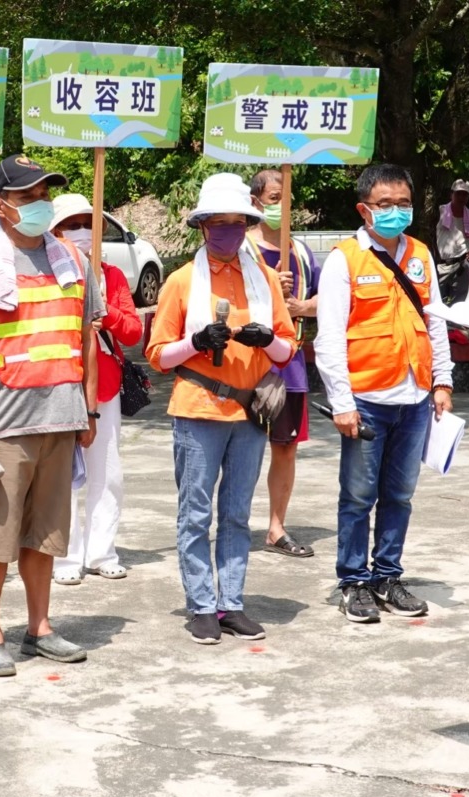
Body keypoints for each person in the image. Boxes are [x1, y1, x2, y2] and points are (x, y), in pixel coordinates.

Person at [0, 155, 103, 677]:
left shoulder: (75, 262)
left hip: (60, 419)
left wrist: (89, 408)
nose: (41, 203)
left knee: (46, 535)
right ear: (0, 207)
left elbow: (85, 340)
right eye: (28, 196)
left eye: (45, 193)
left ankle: (39, 627)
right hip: (3, 426)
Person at [145, 173, 296, 645]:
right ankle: (201, 605)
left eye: (237, 222)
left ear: (248, 224)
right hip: (198, 408)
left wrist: (267, 338)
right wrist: (194, 341)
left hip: (249, 413)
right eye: (220, 222)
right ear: (204, 226)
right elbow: (156, 354)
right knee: (194, 513)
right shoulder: (182, 281)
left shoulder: (264, 279)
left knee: (236, 513)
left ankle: (231, 602)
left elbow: (288, 349)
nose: (229, 230)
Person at [314, 163, 455, 626]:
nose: (395, 212)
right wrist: (342, 402)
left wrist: (442, 380)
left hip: (414, 396)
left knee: (400, 494)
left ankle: (387, 576)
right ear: (364, 209)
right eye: (385, 205)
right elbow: (329, 337)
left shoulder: (419, 254)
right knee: (357, 496)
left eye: (403, 204)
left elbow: (434, 320)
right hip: (367, 398)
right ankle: (353, 582)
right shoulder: (344, 260)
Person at [48, 193, 144, 586]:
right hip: (57, 388)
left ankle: (101, 550)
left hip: (103, 387)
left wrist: (106, 309)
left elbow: (134, 330)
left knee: (108, 473)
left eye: (88, 224)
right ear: (54, 231)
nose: (82, 232)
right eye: (71, 226)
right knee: (61, 477)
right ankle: (65, 555)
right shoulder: (45, 273)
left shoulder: (112, 275)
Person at [245, 169, 321, 559]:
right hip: (245, 368)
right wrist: (271, 285)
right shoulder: (241, 249)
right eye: (275, 197)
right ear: (256, 202)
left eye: (287, 197)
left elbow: (331, 298)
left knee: (285, 448)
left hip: (289, 367)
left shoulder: (303, 253)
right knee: (238, 448)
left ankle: (276, 527)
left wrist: (301, 306)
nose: (282, 205)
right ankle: (233, 522)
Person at [434, 178, 469, 304]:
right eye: (458, 193)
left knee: (458, 303)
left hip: (462, 266)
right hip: (442, 265)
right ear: (451, 194)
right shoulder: (440, 212)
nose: (461, 197)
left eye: (465, 194)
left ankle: (453, 324)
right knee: (437, 301)